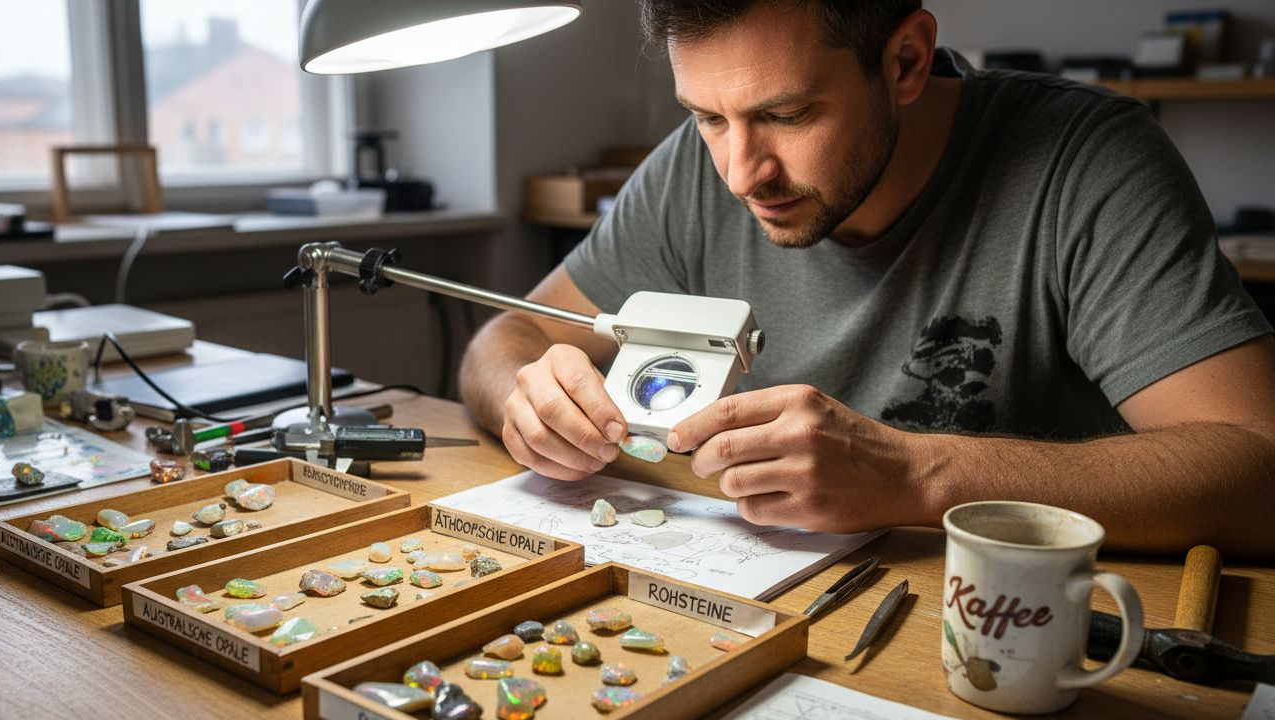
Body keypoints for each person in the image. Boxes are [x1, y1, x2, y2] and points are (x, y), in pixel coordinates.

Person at [459, 0, 1275, 560]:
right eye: (707, 117)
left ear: (906, 60)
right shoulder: (690, 172)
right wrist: (524, 400)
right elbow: (510, 335)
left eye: (786, 114)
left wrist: (916, 475)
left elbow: (1258, 469)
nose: (740, 173)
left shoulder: (1086, 161)